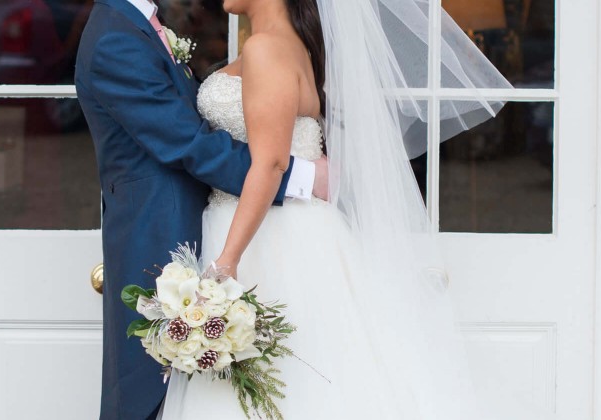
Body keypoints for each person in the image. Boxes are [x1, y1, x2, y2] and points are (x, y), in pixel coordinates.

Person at [156, 0, 513, 418]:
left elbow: (270, 163)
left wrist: (226, 263)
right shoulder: (293, 45)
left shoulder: (266, 48)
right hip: (276, 228)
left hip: (267, 239)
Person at [72, 0, 329, 418]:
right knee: (151, 395)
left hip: (248, 237)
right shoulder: (114, 37)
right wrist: (303, 176)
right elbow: (186, 142)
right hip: (164, 236)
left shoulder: (144, 24)